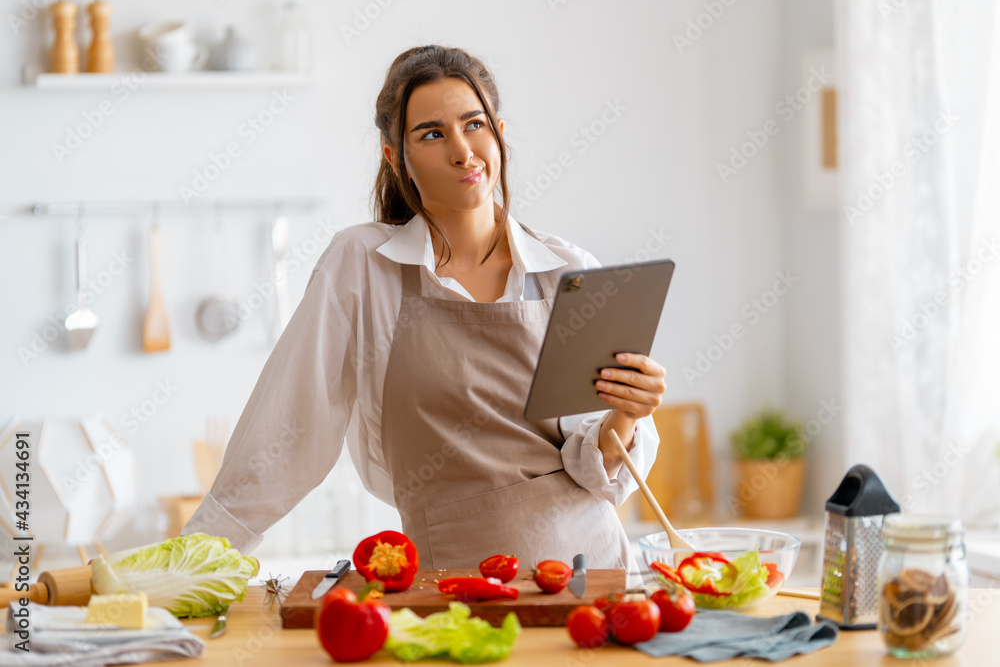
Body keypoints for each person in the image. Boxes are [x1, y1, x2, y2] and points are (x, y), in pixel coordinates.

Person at [182, 45, 666, 573]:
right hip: (453, 585)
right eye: (432, 134)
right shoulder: (363, 266)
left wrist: (628, 411)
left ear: (498, 132)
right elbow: (286, 430)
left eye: (474, 124)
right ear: (396, 158)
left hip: (589, 575)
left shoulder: (568, 272)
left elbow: (599, 471)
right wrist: (191, 563)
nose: (463, 151)